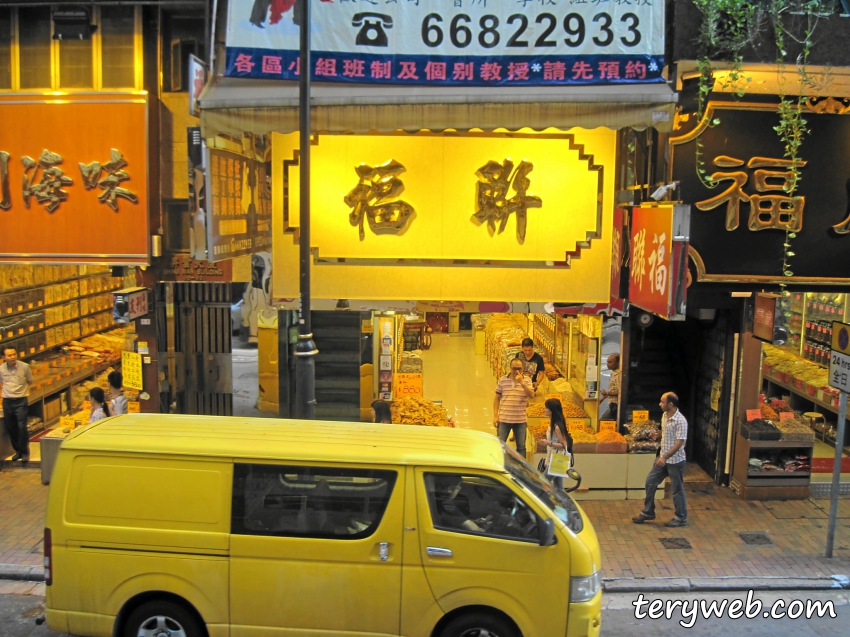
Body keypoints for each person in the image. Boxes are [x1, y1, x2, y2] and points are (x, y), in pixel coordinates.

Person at [632, 392, 688, 527]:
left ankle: (681, 517)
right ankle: (648, 512)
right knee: (650, 482)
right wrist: (657, 435)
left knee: (677, 490)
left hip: (675, 461)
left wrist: (665, 457)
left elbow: (679, 442)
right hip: (662, 458)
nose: (659, 404)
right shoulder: (665, 416)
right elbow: (665, 430)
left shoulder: (681, 421)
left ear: (670, 404)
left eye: (662, 402)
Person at [494, 358, 535, 458]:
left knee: (521, 447)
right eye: (514, 368)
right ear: (510, 368)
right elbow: (497, 398)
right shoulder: (503, 380)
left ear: (523, 368)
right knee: (500, 445)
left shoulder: (527, 380)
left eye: (519, 368)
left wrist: (522, 382)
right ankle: (500, 463)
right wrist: (495, 415)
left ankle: (520, 466)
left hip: (520, 420)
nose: (516, 371)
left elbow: (531, 395)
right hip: (504, 419)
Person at [1, 347, 34, 462]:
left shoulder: (24, 367)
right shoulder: (1, 369)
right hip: (7, 401)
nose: (13, 357)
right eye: (9, 355)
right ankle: (18, 451)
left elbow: (30, 381)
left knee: (21, 426)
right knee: (11, 427)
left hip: (21, 401)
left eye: (14, 354)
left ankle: (25, 452)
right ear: (4, 357)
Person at [543, 398, 573, 490]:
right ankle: (563, 499)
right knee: (559, 487)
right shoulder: (553, 424)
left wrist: (548, 443)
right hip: (554, 458)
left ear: (551, 411)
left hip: (556, 460)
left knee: (542, 483)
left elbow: (564, 445)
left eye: (546, 408)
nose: (544, 409)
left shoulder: (557, 427)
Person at [599, 354, 621, 423]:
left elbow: (621, 391)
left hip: (616, 406)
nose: (607, 364)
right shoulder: (613, 374)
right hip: (612, 405)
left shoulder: (619, 375)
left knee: (603, 422)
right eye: (607, 362)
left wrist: (608, 393)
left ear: (618, 363)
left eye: (610, 362)